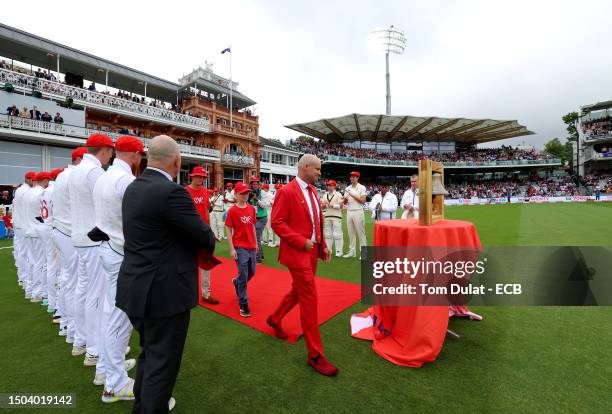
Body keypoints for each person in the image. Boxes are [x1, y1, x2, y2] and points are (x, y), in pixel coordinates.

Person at [117, 135, 216, 413]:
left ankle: (142, 405)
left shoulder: (134, 186)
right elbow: (205, 236)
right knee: (162, 362)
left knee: (150, 353)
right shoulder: (171, 192)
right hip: (163, 292)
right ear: (177, 160)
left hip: (135, 287)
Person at [267, 154, 337, 376]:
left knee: (298, 292)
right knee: (310, 299)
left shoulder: (313, 191)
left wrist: (322, 244)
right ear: (305, 167)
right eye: (317, 169)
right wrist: (301, 241)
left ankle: (275, 318)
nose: (319, 173)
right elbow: (277, 222)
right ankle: (315, 354)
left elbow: (318, 220)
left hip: (311, 251)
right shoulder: (286, 192)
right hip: (297, 254)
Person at [92, 136, 143, 403]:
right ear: (134, 155)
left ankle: (107, 369)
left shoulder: (104, 175)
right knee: (119, 316)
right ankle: (113, 384)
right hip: (120, 251)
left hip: (108, 248)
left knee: (110, 312)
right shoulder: (125, 180)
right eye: (140, 155)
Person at [69, 133, 115, 369]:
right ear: (105, 150)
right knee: (97, 296)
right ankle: (95, 350)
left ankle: (82, 341)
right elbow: (107, 201)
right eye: (111, 151)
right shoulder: (93, 171)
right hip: (92, 239)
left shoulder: (75, 170)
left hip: (78, 236)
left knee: (84, 291)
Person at [52, 147, 87, 345]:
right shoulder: (75, 175)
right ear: (80, 159)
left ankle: (67, 324)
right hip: (71, 232)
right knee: (79, 285)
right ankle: (77, 334)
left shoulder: (62, 176)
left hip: (61, 230)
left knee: (68, 279)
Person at [185, 166, 218, 305]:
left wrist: (210, 231)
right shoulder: (185, 192)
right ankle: (188, 294)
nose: (201, 179)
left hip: (204, 233)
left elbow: (206, 211)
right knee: (189, 265)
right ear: (192, 176)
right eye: (198, 176)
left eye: (203, 177)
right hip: (191, 233)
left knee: (206, 265)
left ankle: (206, 294)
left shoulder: (205, 191)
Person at [225, 182, 257, 317]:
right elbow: (228, 228)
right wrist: (232, 248)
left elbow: (253, 227)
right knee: (243, 274)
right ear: (236, 194)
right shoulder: (232, 211)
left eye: (247, 193)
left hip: (251, 245)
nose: (245, 195)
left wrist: (256, 243)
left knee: (252, 272)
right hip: (240, 246)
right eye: (242, 193)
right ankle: (243, 304)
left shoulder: (251, 209)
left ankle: (236, 282)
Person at [12, 172, 36, 292]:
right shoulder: (26, 191)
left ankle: (23, 278)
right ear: (28, 179)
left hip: (19, 224)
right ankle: (26, 280)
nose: (35, 181)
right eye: (33, 179)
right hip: (23, 225)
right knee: (27, 254)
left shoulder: (20, 190)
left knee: (21, 252)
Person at [342, 171, 367, 259]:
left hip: (358, 211)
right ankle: (352, 252)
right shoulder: (347, 188)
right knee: (350, 233)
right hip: (349, 211)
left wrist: (352, 195)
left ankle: (364, 254)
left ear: (357, 178)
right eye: (351, 177)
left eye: (354, 177)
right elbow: (345, 202)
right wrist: (345, 199)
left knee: (361, 233)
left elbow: (363, 201)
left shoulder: (361, 187)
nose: (352, 178)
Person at [320, 180, 344, 257]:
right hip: (327, 216)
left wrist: (331, 205)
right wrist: (323, 205)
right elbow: (323, 206)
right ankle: (329, 250)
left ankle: (339, 251)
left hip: (336, 216)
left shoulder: (338, 194)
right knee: (327, 234)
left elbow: (340, 206)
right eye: (328, 185)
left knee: (337, 234)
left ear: (334, 186)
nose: (329, 187)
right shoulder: (325, 194)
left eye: (331, 185)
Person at [248, 177, 268, 263]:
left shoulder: (262, 192)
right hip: (253, 217)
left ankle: (258, 257)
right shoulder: (249, 192)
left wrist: (256, 199)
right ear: (251, 185)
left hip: (262, 217)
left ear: (259, 184)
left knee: (256, 236)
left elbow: (264, 205)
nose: (255, 185)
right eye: (253, 184)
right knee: (254, 236)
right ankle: (261, 255)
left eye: (256, 184)